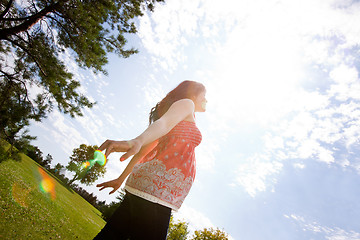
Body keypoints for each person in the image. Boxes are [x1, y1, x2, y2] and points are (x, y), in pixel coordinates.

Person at [93, 80, 207, 240]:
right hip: (157, 190)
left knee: (112, 235)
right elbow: (164, 124)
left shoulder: (179, 114)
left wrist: (120, 179)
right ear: (193, 95)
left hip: (146, 187)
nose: (206, 100)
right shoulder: (187, 104)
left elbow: (144, 151)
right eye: (204, 95)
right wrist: (136, 141)